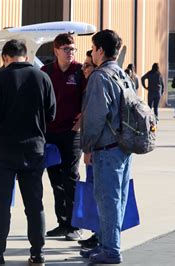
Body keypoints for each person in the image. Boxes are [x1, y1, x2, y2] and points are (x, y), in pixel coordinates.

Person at [0, 39, 55, 266]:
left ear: (5, 58)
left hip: (3, 151)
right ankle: (37, 254)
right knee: (34, 205)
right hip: (34, 150)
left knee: (1, 206)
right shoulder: (42, 77)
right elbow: (51, 113)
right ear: (25, 56)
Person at [80, 29, 132, 264]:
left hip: (106, 148)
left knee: (107, 199)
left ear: (100, 50)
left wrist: (87, 148)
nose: (91, 52)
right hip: (123, 146)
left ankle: (110, 250)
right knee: (118, 198)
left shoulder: (100, 77)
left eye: (93, 47)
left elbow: (94, 117)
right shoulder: (121, 74)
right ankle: (107, 243)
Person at [40, 33, 84, 241]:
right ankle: (62, 223)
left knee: (71, 178)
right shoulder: (46, 72)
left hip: (71, 134)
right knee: (55, 179)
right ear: (56, 51)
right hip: (50, 134)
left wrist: (79, 124)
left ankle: (76, 225)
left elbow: (88, 101)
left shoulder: (80, 72)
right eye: (66, 49)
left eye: (72, 49)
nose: (70, 53)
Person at [77, 50, 99, 249]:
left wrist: (88, 149)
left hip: (98, 151)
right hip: (98, 149)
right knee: (94, 192)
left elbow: (95, 121)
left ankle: (101, 236)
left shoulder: (97, 84)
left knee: (98, 193)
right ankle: (97, 233)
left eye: (87, 65)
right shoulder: (90, 86)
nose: (83, 69)